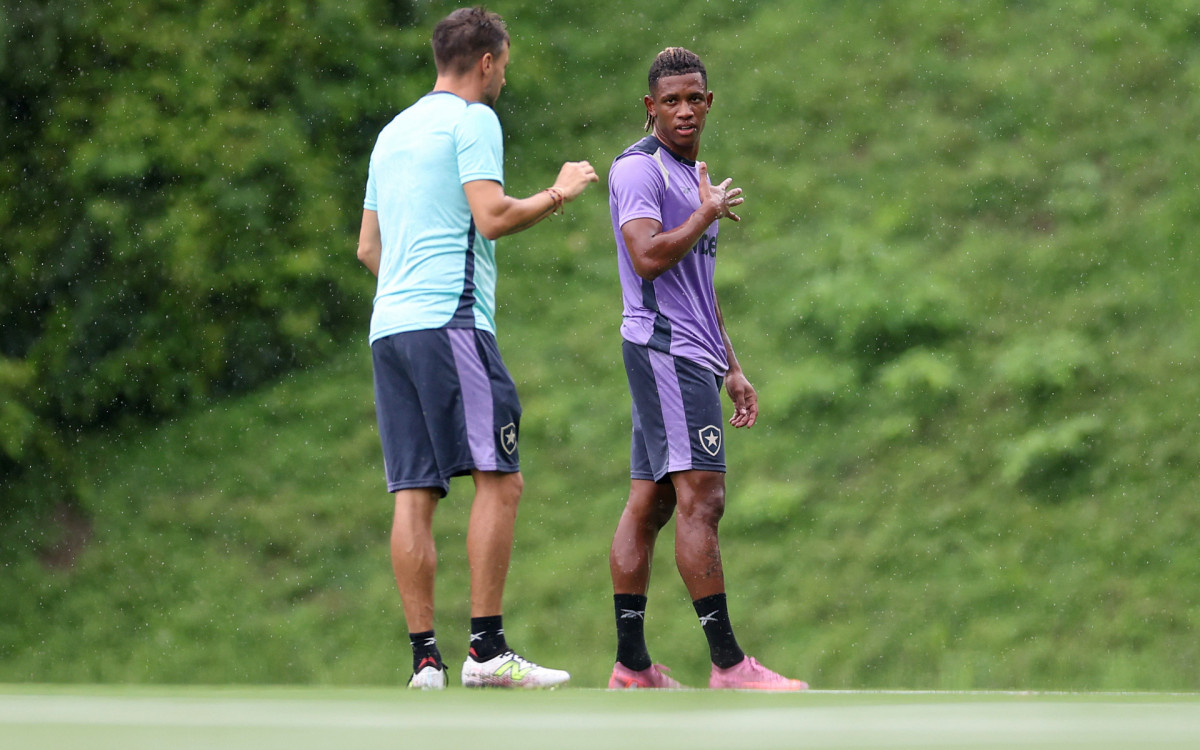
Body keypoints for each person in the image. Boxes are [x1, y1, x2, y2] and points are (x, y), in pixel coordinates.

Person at [356, 6, 598, 690]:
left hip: (390, 328)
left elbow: (368, 248)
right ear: (486, 62)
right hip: (451, 321)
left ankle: (424, 662)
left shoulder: (392, 133)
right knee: (501, 477)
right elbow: (490, 217)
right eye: (504, 67)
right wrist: (559, 192)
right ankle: (487, 651)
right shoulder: (474, 119)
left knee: (414, 492)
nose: (503, 80)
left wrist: (409, 291)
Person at [605, 47, 808, 691]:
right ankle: (729, 665)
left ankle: (632, 668)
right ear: (651, 107)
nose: (685, 110)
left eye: (695, 98)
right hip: (665, 349)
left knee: (652, 501)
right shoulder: (638, 170)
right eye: (671, 101)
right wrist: (704, 214)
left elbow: (698, 283)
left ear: (709, 101)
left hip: (690, 352)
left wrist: (732, 366)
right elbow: (646, 258)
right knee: (703, 499)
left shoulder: (695, 175)